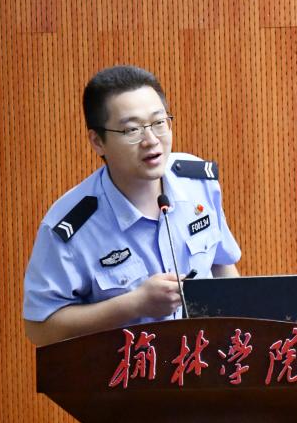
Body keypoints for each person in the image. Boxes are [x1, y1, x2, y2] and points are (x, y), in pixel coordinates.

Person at [23, 65, 240, 346]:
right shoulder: (72, 226)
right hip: (126, 370)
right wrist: (134, 304)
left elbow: (223, 266)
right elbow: (39, 329)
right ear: (98, 142)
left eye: (159, 122)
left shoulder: (198, 182)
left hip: (203, 361)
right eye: (131, 130)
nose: (151, 140)